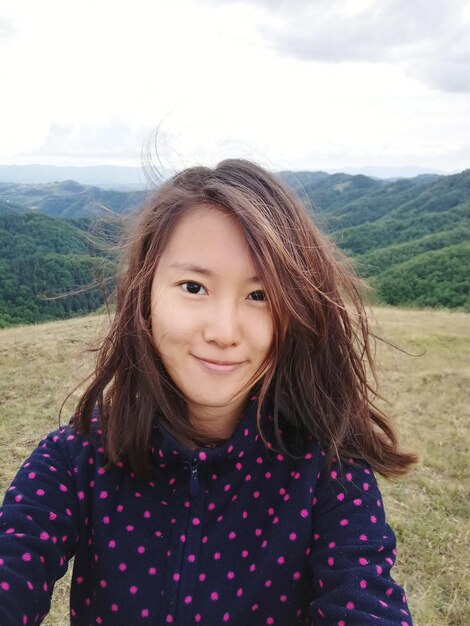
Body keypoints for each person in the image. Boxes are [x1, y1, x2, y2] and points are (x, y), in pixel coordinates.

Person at [0, 159, 416, 625]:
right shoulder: (73, 461)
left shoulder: (329, 472)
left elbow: (366, 603)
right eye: (193, 286)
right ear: (145, 296)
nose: (223, 331)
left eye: (259, 295)